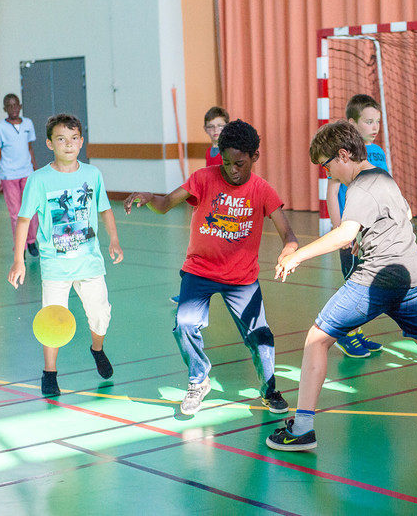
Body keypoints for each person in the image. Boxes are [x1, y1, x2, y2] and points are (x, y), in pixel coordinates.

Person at [266, 121, 417, 452]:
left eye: (327, 165)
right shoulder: (383, 177)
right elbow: (399, 214)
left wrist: (298, 255)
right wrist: (368, 237)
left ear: (344, 154)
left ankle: (302, 428)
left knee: (317, 339)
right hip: (410, 273)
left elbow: (345, 233)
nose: (328, 174)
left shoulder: (361, 187)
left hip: (377, 278)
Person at [124, 119, 298, 416]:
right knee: (185, 324)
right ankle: (198, 379)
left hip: (242, 279)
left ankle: (269, 389)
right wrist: (148, 197)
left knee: (261, 336)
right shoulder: (203, 178)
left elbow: (288, 234)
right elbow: (166, 203)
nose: (232, 170)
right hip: (199, 271)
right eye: (227, 162)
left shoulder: (262, 190)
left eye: (239, 164)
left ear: (254, 157)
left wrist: (288, 251)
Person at [7, 114, 123, 397]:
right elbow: (24, 219)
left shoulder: (92, 175)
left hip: (90, 261)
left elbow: (104, 208)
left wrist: (114, 241)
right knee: (52, 319)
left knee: (100, 315)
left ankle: (97, 349)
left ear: (81, 142)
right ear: (49, 143)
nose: (68, 145)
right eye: (61, 139)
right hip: (55, 264)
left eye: (74, 139)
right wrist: (19, 259)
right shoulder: (39, 180)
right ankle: (49, 372)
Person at [324, 94, 387, 358]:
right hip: (351, 232)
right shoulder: (344, 154)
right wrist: (341, 230)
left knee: (366, 284)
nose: (375, 127)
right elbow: (331, 192)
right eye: (369, 122)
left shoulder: (378, 152)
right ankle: (343, 333)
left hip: (372, 232)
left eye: (377, 122)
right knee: (354, 284)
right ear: (352, 123)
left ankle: (356, 332)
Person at [170, 106, 231, 304]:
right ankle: (191, 292)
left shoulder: (228, 152)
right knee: (200, 253)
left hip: (225, 210)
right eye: (211, 126)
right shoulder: (209, 152)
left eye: (221, 126)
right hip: (210, 209)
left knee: (216, 254)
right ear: (206, 129)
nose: (216, 130)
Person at [0, 93, 39, 258]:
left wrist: (36, 170)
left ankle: (32, 240)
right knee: (15, 213)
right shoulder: (0, 127)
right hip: (8, 175)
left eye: (15, 105)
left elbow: (30, 148)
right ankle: (21, 246)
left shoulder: (28, 123)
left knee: (31, 208)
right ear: (5, 109)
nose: (13, 109)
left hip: (27, 173)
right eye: (9, 106)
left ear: (20, 106)